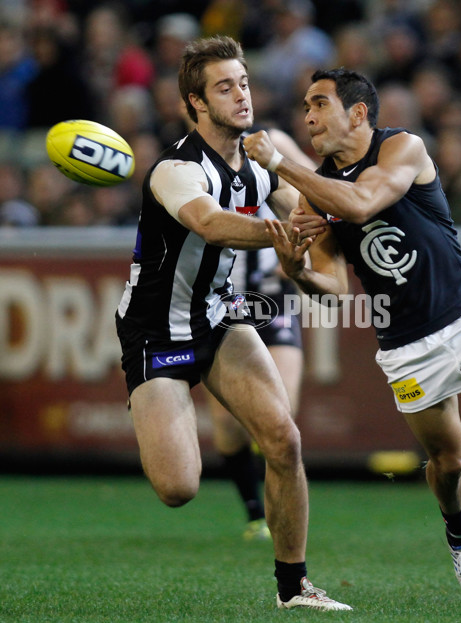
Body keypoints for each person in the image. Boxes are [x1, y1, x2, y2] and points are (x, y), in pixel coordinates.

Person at [243, 67, 461, 606]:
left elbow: (362, 203)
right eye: (304, 106)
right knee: (450, 464)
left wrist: (280, 164)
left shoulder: (402, 148)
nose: (307, 117)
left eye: (319, 104)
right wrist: (295, 268)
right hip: (406, 343)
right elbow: (335, 292)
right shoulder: (312, 193)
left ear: (358, 112)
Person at [115, 36, 350, 612]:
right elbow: (212, 223)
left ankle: (294, 589)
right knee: (178, 489)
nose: (241, 94)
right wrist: (290, 236)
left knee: (284, 439)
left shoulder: (258, 164)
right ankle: (156, 399)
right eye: (224, 87)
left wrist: (326, 227)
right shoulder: (175, 168)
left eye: (243, 82)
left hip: (219, 317)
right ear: (194, 103)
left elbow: (312, 205)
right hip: (155, 331)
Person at [206, 129, 314, 542]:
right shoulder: (188, 160)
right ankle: (254, 511)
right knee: (229, 423)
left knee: (280, 411)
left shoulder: (272, 143)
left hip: (273, 294)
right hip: (222, 301)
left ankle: (275, 509)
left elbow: (314, 183)